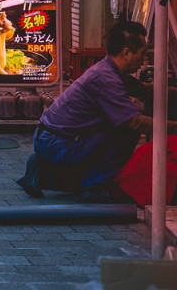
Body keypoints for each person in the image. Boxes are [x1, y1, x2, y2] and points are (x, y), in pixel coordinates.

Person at [16, 21, 177, 200]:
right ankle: (95, 188)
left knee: (115, 128)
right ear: (126, 53)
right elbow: (135, 122)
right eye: (142, 53)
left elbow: (146, 89)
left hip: (53, 138)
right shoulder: (105, 78)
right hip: (55, 143)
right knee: (125, 130)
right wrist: (174, 127)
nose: (144, 59)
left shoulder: (110, 70)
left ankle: (42, 172)